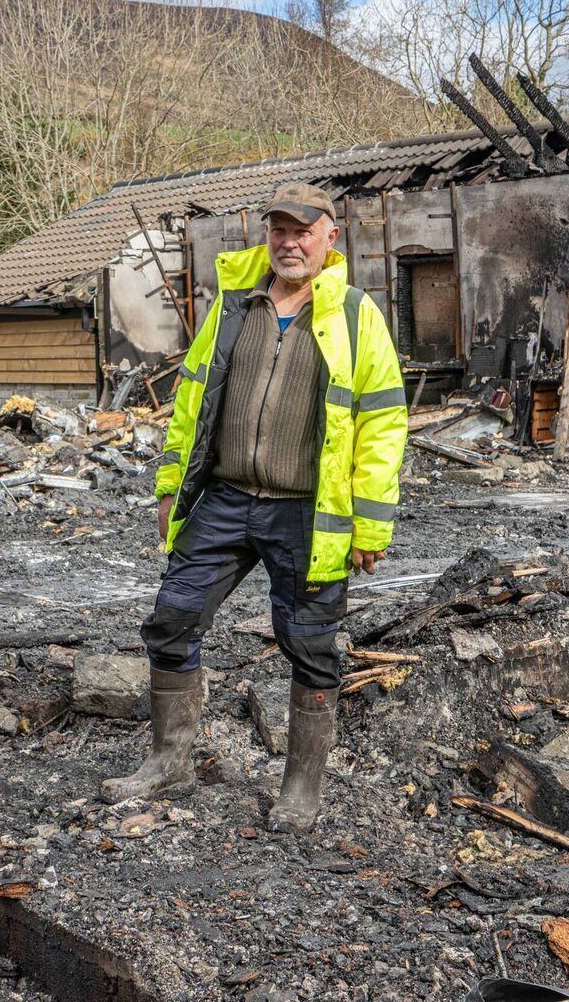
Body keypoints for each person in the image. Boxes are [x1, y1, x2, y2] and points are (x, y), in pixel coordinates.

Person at [101, 182, 408, 832]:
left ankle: (301, 788)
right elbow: (192, 400)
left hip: (306, 511)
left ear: (331, 236)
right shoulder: (235, 307)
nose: (290, 242)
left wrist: (370, 522)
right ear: (267, 235)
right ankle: (169, 760)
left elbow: (383, 425)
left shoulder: (355, 316)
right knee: (173, 617)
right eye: (279, 230)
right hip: (224, 498)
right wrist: (169, 486)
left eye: (303, 230)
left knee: (310, 643)